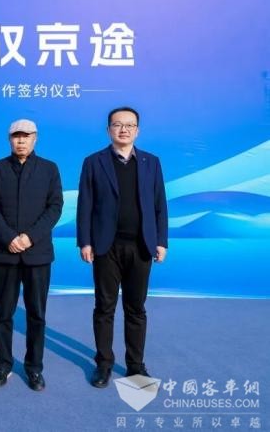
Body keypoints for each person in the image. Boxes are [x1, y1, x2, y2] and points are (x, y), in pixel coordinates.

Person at [76, 106, 168, 388]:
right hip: (106, 247)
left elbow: (159, 204)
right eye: (117, 125)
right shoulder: (94, 162)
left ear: (137, 131)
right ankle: (103, 363)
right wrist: (85, 241)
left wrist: (161, 240)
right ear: (109, 130)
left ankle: (135, 366)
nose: (123, 129)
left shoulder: (152, 162)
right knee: (104, 307)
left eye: (129, 125)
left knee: (136, 308)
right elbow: (85, 205)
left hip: (141, 246)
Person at [0, 119, 63, 391]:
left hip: (37, 253)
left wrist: (29, 237)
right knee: (3, 314)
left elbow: (55, 207)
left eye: (26, 136)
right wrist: (9, 238)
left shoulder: (49, 169)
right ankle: (2, 364)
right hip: (4, 253)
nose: (21, 140)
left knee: (36, 315)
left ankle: (34, 368)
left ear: (35, 138)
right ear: (9, 139)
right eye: (16, 136)